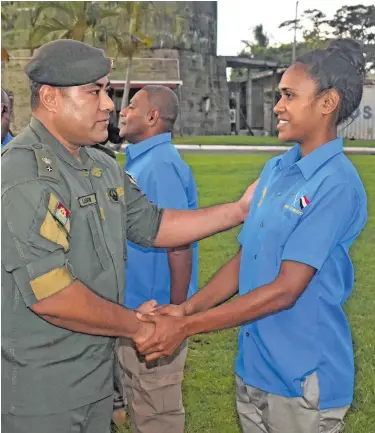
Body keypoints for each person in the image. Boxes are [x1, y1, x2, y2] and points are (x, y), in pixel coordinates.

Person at [1, 39, 257, 433]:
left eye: (106, 91)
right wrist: (138, 327)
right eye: (94, 91)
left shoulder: (99, 164)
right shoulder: (23, 175)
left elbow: (153, 225)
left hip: (96, 377)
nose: (108, 105)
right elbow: (52, 295)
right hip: (42, 391)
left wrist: (239, 211)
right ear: (50, 98)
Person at [136, 39, 368, 433]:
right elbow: (247, 258)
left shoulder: (336, 184)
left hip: (302, 376)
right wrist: (187, 309)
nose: (278, 106)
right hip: (255, 365)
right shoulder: (277, 170)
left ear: (327, 103)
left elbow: (286, 290)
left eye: (289, 96)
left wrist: (188, 327)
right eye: (280, 95)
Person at [113, 85, 199, 433]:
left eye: (131, 106)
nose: (122, 111)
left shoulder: (159, 167)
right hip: (135, 312)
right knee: (140, 405)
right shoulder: (143, 162)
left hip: (157, 316)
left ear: (152, 117)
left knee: (156, 415)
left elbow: (178, 244)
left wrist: (175, 315)